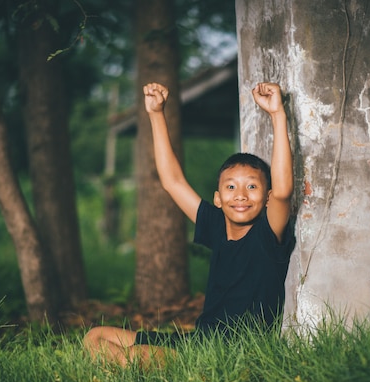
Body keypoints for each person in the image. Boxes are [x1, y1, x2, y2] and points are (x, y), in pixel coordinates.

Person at [82, 81, 294, 367]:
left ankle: (128, 370)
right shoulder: (216, 225)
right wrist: (156, 114)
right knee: (95, 336)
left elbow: (282, 191)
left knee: (134, 356)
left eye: (252, 187)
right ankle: (128, 368)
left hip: (232, 353)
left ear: (266, 197)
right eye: (231, 187)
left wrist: (277, 115)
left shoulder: (268, 235)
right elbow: (172, 181)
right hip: (199, 341)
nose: (241, 195)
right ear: (218, 199)